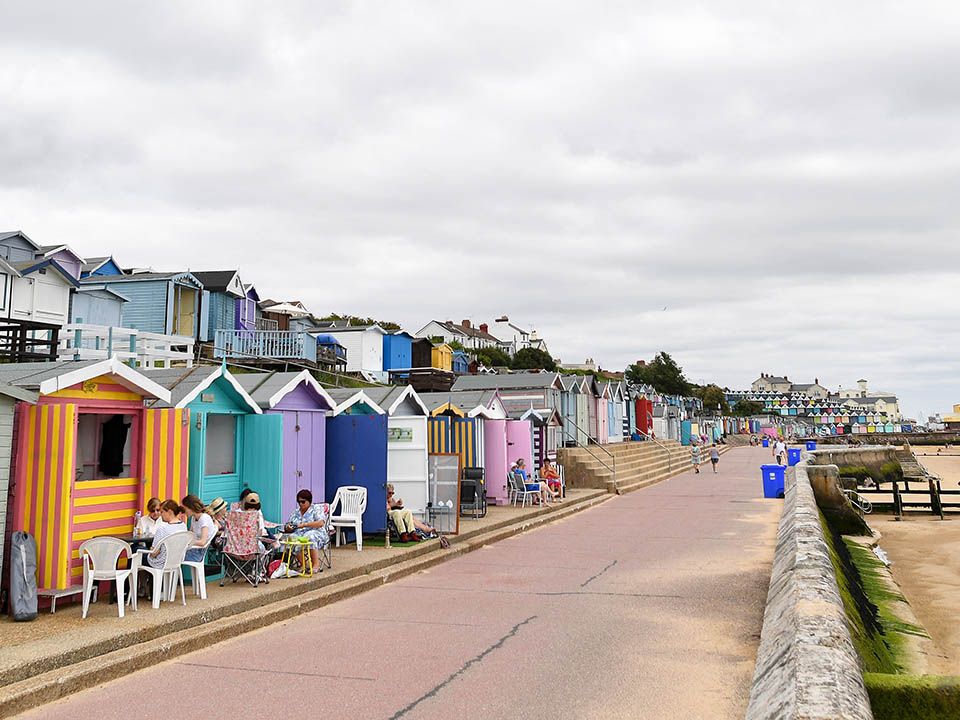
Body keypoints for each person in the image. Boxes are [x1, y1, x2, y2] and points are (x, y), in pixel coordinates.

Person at [284, 489, 330, 570]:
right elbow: (288, 524)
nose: (301, 504)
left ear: (309, 501)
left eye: (303, 501)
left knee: (310, 536)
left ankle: (316, 565)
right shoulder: (296, 512)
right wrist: (288, 527)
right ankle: (304, 564)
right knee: (292, 538)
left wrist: (304, 525)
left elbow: (321, 523)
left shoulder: (316, 509)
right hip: (300, 534)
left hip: (317, 533)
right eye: (299, 502)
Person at [141, 500, 187, 569]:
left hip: (160, 563)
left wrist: (150, 550)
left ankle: (129, 579)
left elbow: (154, 553)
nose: (160, 514)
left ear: (169, 512)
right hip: (176, 562)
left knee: (136, 550)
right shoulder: (183, 526)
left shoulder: (162, 528)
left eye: (162, 512)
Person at [182, 494, 217, 562]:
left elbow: (202, 542)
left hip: (198, 552)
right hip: (194, 549)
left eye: (184, 509)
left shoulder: (204, 518)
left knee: (172, 556)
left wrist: (187, 542)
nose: (184, 511)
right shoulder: (194, 518)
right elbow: (191, 535)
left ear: (191, 508)